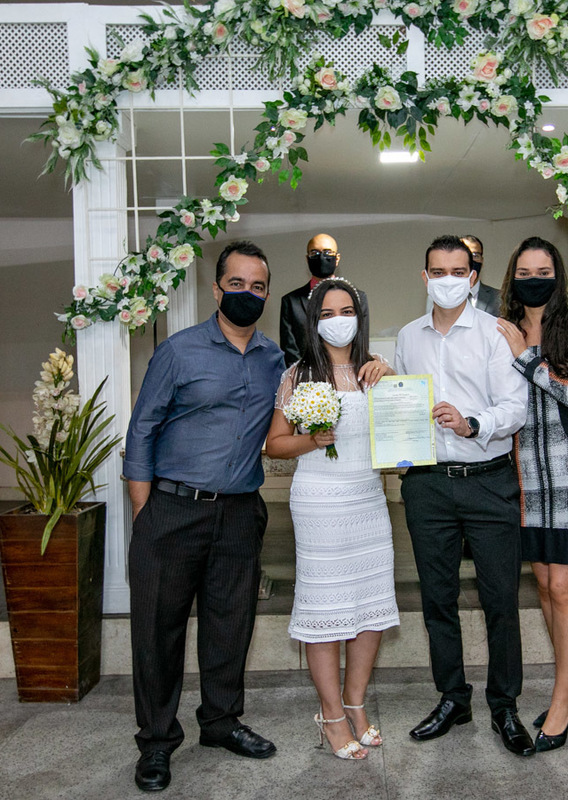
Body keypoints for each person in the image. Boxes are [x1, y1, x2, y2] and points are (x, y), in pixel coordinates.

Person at [123, 241, 285, 793]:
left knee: (230, 625)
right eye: (236, 284)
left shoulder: (274, 360)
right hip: (172, 509)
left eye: (257, 286)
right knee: (157, 631)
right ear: (216, 290)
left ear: (267, 293)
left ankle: (220, 722)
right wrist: (146, 513)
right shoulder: (179, 351)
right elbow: (142, 429)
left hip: (240, 512)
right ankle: (156, 741)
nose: (246, 294)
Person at [393, 234, 534, 757]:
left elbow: (515, 408)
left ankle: (504, 704)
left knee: (500, 599)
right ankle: (453, 697)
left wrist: (472, 422)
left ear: (473, 278)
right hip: (427, 484)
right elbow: (402, 404)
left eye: (458, 272)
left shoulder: (496, 333)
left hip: (489, 480)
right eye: (438, 272)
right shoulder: (408, 337)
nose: (448, 280)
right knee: (437, 598)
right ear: (424, 276)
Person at [265, 277, 399, 760]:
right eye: (326, 314)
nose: (337, 321)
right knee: (326, 610)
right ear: (312, 321)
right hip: (319, 501)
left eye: (346, 312)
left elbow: (401, 432)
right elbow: (274, 444)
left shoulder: (376, 370)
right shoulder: (298, 374)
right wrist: (312, 439)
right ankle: (332, 715)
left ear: (359, 318)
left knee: (371, 606)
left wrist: (393, 383)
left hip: (368, 499)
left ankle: (355, 703)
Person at [495, 236, 568, 754]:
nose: (533, 280)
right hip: (524, 478)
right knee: (544, 587)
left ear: (557, 276)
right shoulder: (502, 330)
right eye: (524, 272)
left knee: (565, 589)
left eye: (542, 272)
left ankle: (562, 698)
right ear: (512, 278)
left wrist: (526, 359)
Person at [279, 233, 370, 367]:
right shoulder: (291, 301)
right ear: (307, 259)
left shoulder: (358, 298)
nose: (321, 257)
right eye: (314, 252)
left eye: (327, 252)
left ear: (337, 258)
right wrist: (304, 376)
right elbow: (290, 350)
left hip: (349, 372)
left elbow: (361, 343)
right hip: (304, 374)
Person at [460, 234, 502, 314]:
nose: (470, 260)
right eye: (465, 254)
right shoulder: (443, 296)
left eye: (475, 256)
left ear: (482, 261)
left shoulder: (499, 298)